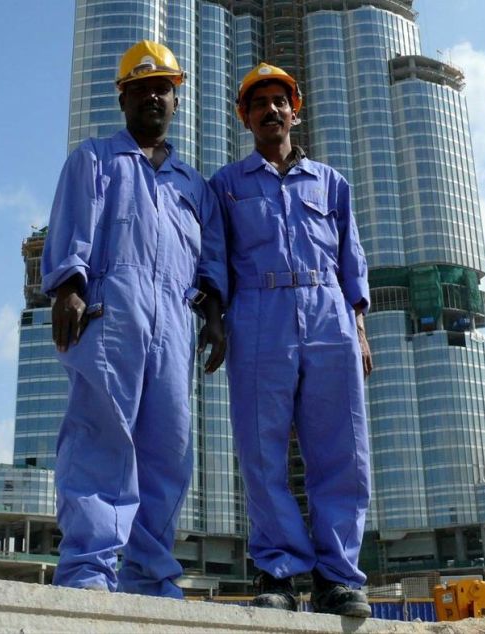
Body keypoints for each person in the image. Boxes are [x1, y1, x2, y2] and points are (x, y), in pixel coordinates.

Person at [41, 40, 226, 598]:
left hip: (175, 320)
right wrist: (67, 287)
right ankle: (89, 571)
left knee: (167, 449)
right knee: (101, 434)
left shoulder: (194, 186)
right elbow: (71, 228)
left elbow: (211, 260)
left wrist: (214, 317)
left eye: (162, 89)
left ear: (176, 101)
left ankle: (149, 575)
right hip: (110, 311)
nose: (152, 96)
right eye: (140, 88)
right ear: (123, 99)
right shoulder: (94, 158)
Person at [209, 63, 373, 617]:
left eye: (281, 101)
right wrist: (214, 318)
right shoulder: (226, 187)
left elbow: (351, 258)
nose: (271, 110)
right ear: (245, 118)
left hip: (330, 316)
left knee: (342, 451)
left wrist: (360, 328)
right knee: (262, 451)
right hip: (258, 315)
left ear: (294, 109)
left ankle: (338, 578)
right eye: (260, 104)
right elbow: (213, 261)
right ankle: (279, 571)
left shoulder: (331, 182)